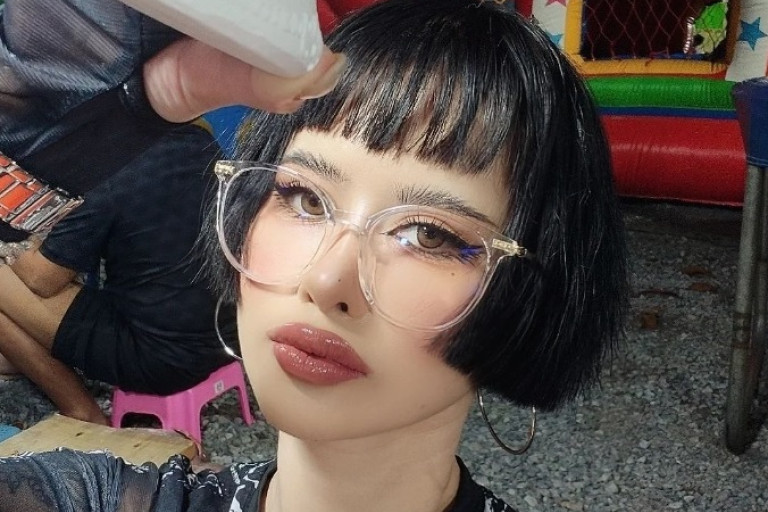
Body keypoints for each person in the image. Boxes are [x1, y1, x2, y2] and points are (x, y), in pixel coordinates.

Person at [0, 0, 628, 510]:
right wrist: (36, 132)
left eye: (429, 235)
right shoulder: (88, 498)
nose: (326, 278)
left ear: (534, 294)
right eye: (304, 198)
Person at [0, 0, 346, 424]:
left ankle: (81, 409)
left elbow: (40, 278)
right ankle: (22, 353)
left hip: (158, 358)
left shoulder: (99, 163)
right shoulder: (195, 140)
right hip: (229, 337)